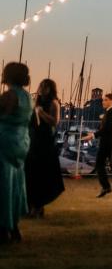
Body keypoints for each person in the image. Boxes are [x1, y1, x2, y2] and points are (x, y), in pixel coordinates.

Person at [0, 62, 33, 244]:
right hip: (21, 141)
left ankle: (4, 227)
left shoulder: (9, 95)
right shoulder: (28, 96)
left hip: (4, 142)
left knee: (4, 185)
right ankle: (14, 226)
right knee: (15, 184)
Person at [26, 79, 65, 218]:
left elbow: (55, 121)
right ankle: (31, 206)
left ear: (51, 89)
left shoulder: (53, 103)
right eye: (41, 85)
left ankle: (38, 207)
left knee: (42, 175)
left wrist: (41, 113)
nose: (42, 88)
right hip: (33, 141)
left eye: (46, 86)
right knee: (31, 174)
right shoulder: (35, 102)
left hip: (45, 143)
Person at [85, 93, 112, 197]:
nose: (103, 102)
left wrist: (93, 136)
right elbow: (104, 128)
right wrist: (93, 134)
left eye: (105, 100)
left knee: (99, 164)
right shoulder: (111, 112)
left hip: (107, 143)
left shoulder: (111, 112)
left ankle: (106, 187)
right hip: (111, 143)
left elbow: (106, 129)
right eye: (103, 100)